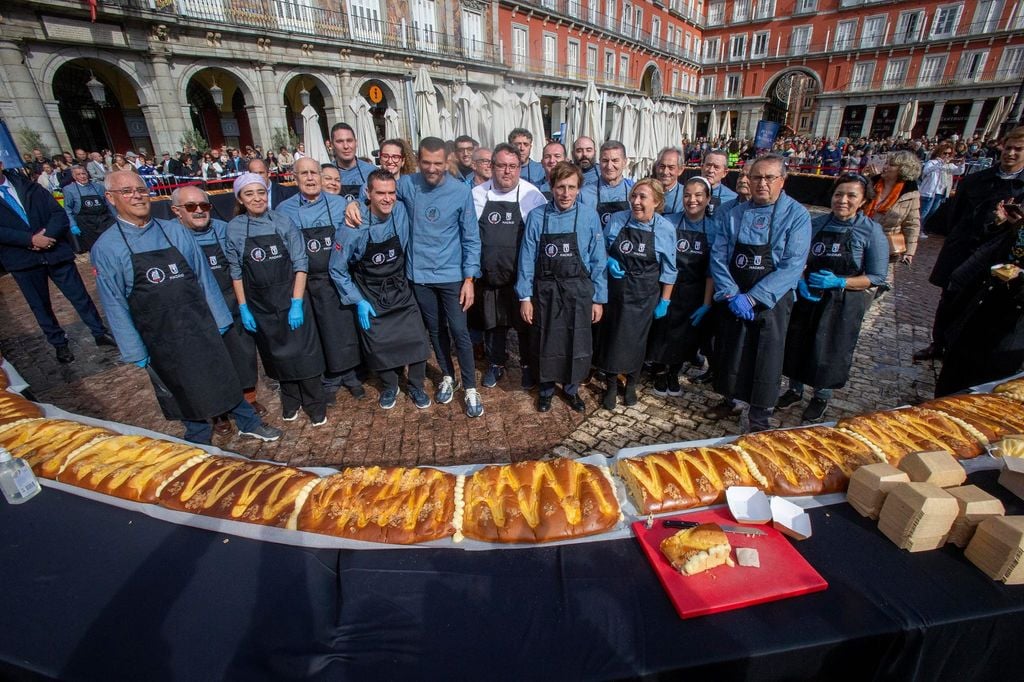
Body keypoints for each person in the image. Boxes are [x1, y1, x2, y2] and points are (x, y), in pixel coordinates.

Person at [90, 171, 279, 444]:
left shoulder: (174, 231)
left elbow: (203, 277)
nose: (137, 196)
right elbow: (114, 303)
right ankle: (198, 438)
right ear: (110, 198)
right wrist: (133, 349)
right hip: (160, 335)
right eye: (127, 191)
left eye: (141, 190)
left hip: (200, 323)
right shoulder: (107, 247)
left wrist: (220, 318)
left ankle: (248, 422)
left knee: (224, 375)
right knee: (182, 389)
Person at [345, 137, 483, 417]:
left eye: (438, 163)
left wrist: (469, 279)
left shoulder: (460, 192)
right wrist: (352, 203)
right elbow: (373, 190)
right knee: (435, 332)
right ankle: (447, 375)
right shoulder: (407, 184)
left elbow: (471, 238)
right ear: (418, 162)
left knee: (459, 332)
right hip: (418, 276)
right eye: (427, 163)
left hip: (451, 276)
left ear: (448, 162)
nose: (432, 169)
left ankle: (470, 387)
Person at [706, 154, 811, 433]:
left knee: (766, 358)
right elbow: (718, 256)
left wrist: (754, 297)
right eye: (756, 177)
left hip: (771, 301)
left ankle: (760, 415)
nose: (762, 183)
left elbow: (792, 265)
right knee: (731, 351)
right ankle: (731, 400)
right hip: (735, 295)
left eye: (769, 178)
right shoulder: (733, 213)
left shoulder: (797, 215)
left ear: (782, 181)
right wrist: (731, 294)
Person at [777, 173, 888, 423]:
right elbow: (798, 259)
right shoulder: (816, 224)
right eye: (839, 194)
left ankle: (821, 396)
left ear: (863, 200)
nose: (843, 200)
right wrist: (801, 280)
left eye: (851, 196)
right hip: (809, 297)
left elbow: (876, 276)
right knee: (798, 344)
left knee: (828, 350)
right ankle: (794, 390)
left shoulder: (871, 232)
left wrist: (840, 282)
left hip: (842, 302)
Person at [225, 173, 328, 425]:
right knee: (277, 355)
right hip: (261, 304)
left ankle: (315, 404)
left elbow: (300, 262)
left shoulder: (282, 222)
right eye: (249, 194)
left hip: (291, 297)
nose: (257, 198)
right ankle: (290, 399)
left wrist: (296, 302)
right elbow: (236, 271)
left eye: (260, 192)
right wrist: (243, 306)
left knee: (305, 354)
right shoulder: (235, 228)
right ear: (240, 198)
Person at [915, 127, 1024, 363]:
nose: (1011, 153)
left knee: (978, 303)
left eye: (1019, 149)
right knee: (949, 298)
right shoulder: (975, 180)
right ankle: (939, 343)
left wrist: (1009, 224)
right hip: (962, 248)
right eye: (1008, 147)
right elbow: (955, 216)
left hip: (997, 255)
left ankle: (960, 349)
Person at [330, 170, 433, 409]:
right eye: (381, 193)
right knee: (379, 346)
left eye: (391, 193)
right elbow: (337, 269)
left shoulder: (400, 210)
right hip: (371, 294)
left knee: (417, 340)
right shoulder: (351, 227)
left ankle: (416, 386)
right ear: (368, 193)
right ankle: (390, 386)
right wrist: (357, 301)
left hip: (401, 289)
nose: (387, 199)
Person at [172, 185, 267, 430]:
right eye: (191, 207)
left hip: (232, 300)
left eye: (204, 206)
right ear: (177, 211)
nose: (199, 211)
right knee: (211, 362)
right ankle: (219, 412)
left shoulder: (225, 230)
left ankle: (249, 399)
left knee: (243, 353)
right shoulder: (173, 237)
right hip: (199, 308)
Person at [0, 166, 115, 363]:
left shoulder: (28, 186)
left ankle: (99, 332)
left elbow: (58, 213)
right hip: (23, 259)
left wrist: (48, 235)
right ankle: (59, 344)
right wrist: (30, 239)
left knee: (80, 296)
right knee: (40, 305)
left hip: (55, 251)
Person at [517, 162, 607, 412]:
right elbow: (526, 258)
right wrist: (525, 296)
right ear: (551, 187)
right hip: (546, 292)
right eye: (560, 187)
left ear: (579, 189)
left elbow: (599, 259)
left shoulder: (589, 216)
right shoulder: (538, 216)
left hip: (579, 291)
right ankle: (545, 390)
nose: (565, 193)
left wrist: (599, 298)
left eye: (571, 187)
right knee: (545, 342)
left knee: (576, 342)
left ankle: (571, 389)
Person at [278, 157, 365, 401]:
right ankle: (330, 377)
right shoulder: (285, 210)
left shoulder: (339, 204)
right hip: (307, 280)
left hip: (336, 277)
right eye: (303, 174)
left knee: (343, 329)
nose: (309, 178)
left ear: (320, 176)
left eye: (313, 173)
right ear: (294, 178)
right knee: (319, 330)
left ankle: (349, 374)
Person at [594, 178, 677, 409]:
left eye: (643, 197)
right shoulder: (617, 219)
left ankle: (631, 384)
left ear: (657, 202)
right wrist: (609, 260)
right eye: (634, 196)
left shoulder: (665, 229)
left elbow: (670, 269)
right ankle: (610, 385)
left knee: (637, 343)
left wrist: (665, 301)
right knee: (611, 339)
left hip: (644, 295)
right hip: (615, 293)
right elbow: (600, 250)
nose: (636, 202)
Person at [471, 143, 547, 389]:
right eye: (501, 166)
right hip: (489, 276)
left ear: (520, 168)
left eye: (513, 166)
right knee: (493, 325)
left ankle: (526, 366)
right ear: (491, 167)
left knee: (525, 326)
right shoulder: (477, 195)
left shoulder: (532, 196)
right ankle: (496, 364)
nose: (507, 172)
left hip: (520, 278)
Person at [934, 199, 1024, 395]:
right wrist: (1003, 224)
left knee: (984, 383)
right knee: (952, 375)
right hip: (981, 305)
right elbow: (991, 251)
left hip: (1010, 324)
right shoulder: (1019, 227)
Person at [645, 176, 716, 397]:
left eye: (697, 195)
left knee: (684, 335)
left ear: (707, 199)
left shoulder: (714, 229)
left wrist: (706, 303)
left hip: (693, 290)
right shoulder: (669, 222)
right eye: (687, 195)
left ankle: (674, 372)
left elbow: (712, 270)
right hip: (666, 286)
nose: (691, 200)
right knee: (660, 331)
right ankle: (658, 370)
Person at [863, 150, 921, 266]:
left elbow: (912, 224)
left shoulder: (910, 194)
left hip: (886, 247)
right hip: (860, 238)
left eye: (891, 164)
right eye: (886, 163)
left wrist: (909, 252)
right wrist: (863, 177)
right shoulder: (870, 184)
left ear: (903, 169)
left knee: (881, 280)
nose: (885, 167)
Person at [581, 141, 634, 227]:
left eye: (615, 160)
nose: (609, 166)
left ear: (624, 162)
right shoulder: (584, 194)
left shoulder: (634, 191)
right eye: (605, 161)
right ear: (599, 162)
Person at [62, 165, 115, 252]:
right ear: (74, 177)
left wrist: (116, 218)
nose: (82, 176)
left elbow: (109, 204)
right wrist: (73, 225)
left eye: (84, 173)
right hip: (86, 224)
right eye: (78, 174)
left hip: (104, 220)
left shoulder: (98, 187)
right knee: (95, 249)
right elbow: (67, 209)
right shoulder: (69, 189)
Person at [919, 143, 964, 227]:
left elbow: (959, 171)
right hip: (929, 191)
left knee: (932, 212)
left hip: (940, 192)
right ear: (940, 152)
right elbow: (926, 171)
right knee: (923, 212)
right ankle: (916, 229)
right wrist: (940, 164)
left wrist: (962, 164)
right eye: (945, 153)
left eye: (949, 153)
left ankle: (921, 228)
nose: (947, 155)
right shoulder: (932, 162)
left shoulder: (949, 165)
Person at [330, 122, 378, 202]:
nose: (346, 146)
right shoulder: (325, 173)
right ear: (332, 145)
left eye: (349, 141)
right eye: (340, 141)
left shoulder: (373, 172)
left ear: (356, 142)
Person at [700, 149, 738, 219]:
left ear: (725, 173)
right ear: (702, 167)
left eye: (716, 167)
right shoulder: (687, 193)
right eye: (708, 165)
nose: (711, 170)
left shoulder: (733, 199)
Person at [653, 147, 685, 215]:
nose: (665, 172)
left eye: (671, 167)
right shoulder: (647, 191)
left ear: (680, 170)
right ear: (656, 167)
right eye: (662, 166)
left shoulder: (685, 195)